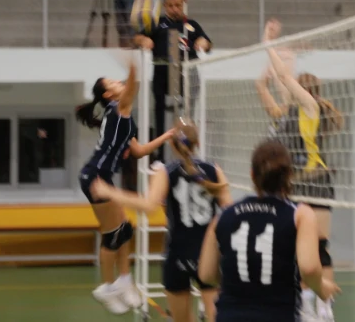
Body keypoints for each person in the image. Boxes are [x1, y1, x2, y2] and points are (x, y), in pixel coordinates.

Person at [92, 118, 232, 322]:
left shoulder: (166, 172)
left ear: (172, 145)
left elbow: (148, 207)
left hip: (178, 254)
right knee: (217, 316)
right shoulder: (214, 170)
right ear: (198, 143)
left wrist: (110, 192)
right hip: (209, 253)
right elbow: (228, 212)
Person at [256, 18, 343, 322]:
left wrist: (268, 44)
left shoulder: (310, 107)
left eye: (295, 82)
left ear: (306, 89)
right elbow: (281, 79)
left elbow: (283, 76)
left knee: (319, 248)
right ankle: (307, 303)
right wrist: (281, 54)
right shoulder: (291, 109)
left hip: (316, 182)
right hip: (297, 186)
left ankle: (323, 306)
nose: (289, 84)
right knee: (302, 249)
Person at [198, 140, 340, 322]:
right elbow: (310, 268)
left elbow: (206, 274)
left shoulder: (224, 215)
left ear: (252, 175)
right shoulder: (300, 214)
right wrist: (321, 287)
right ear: (289, 175)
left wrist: (237, 283)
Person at [76, 58, 177, 315]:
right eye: (113, 83)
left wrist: (167, 135)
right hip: (95, 176)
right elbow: (132, 87)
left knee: (126, 230)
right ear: (109, 95)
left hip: (103, 176)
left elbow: (139, 151)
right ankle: (107, 287)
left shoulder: (124, 120)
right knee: (112, 234)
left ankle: (123, 280)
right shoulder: (119, 108)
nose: (118, 82)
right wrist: (134, 62)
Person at [135, 0, 212, 162]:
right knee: (159, 111)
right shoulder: (157, 23)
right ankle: (160, 156)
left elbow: (206, 41)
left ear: (183, 5)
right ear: (165, 6)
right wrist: (144, 40)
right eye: (170, 6)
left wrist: (203, 42)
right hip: (162, 70)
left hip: (186, 72)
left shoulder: (192, 25)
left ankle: (187, 152)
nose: (174, 9)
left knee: (187, 114)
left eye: (178, 5)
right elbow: (138, 37)